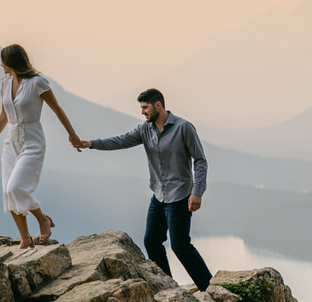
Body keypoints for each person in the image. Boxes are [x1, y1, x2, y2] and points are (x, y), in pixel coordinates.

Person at [73, 89, 212, 290]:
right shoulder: (144, 130)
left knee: (180, 245)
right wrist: (91, 144)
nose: (142, 112)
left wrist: (197, 192)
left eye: (145, 107)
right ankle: (168, 287)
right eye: (141, 108)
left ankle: (208, 287)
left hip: (180, 196)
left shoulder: (183, 128)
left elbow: (200, 161)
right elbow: (120, 141)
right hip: (158, 196)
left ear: (158, 105)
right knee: (151, 242)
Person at [0, 44, 84, 249]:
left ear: (11, 62)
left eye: (3, 60)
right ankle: (25, 238)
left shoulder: (38, 83)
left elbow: (57, 109)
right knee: (8, 192)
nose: (0, 64)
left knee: (16, 187)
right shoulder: (5, 83)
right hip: (11, 141)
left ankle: (42, 218)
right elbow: (4, 115)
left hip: (32, 140)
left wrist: (72, 134)